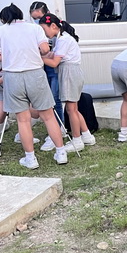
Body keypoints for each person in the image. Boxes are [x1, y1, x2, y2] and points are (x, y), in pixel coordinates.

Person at [0, 4, 68, 169]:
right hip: (35, 73)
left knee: (23, 119)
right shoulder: (35, 28)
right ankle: (61, 152)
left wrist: (11, 56)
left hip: (12, 75)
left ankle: (30, 158)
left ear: (4, 19)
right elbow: (45, 49)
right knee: (48, 116)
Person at [38, 13, 96, 152]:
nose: (44, 33)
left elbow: (54, 62)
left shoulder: (63, 39)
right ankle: (87, 135)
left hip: (69, 73)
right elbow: (52, 55)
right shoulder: (62, 38)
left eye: (44, 29)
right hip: (71, 73)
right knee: (73, 109)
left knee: (71, 110)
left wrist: (37, 58)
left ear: (53, 26)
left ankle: (77, 140)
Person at [29, 1, 63, 145]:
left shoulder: (54, 27)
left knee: (55, 99)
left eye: (39, 18)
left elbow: (54, 54)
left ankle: (59, 128)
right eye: (34, 18)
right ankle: (53, 128)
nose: (37, 21)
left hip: (53, 68)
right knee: (44, 100)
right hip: (41, 68)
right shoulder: (34, 29)